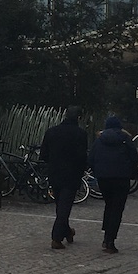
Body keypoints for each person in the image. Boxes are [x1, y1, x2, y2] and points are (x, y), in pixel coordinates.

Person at [40, 105, 90, 250]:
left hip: (55, 173)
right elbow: (82, 156)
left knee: (60, 205)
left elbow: (44, 154)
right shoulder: (81, 134)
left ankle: (67, 231)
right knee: (64, 207)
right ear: (78, 118)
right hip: (72, 174)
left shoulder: (52, 132)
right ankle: (56, 238)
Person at [87, 115, 138, 253]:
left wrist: (97, 170)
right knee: (117, 208)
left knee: (109, 205)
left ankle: (106, 235)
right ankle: (110, 239)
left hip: (103, 178)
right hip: (122, 178)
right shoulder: (125, 139)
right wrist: (133, 173)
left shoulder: (99, 140)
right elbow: (134, 157)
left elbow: (91, 159)